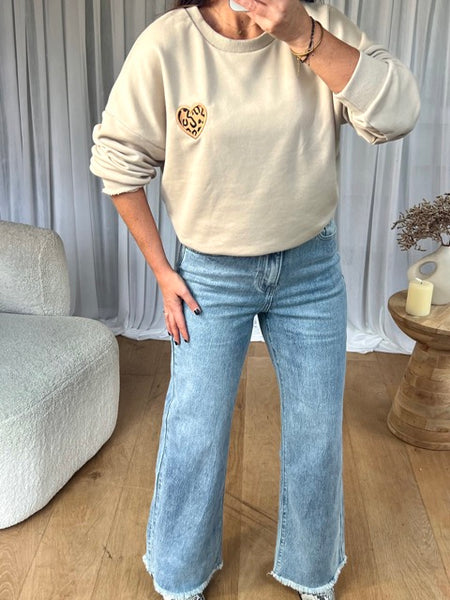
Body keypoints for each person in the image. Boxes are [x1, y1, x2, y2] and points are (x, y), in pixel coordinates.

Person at [90, 1, 420, 599]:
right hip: (209, 276)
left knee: (317, 431)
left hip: (310, 270)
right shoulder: (169, 44)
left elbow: (397, 113)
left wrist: (302, 34)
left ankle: (313, 574)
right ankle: (180, 579)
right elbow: (116, 160)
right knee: (195, 430)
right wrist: (162, 271)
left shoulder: (318, 26)